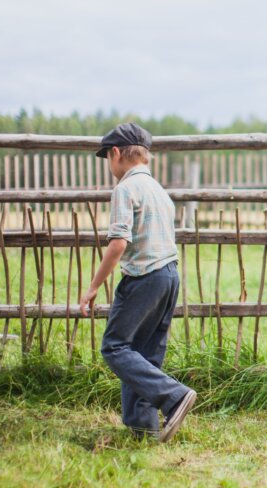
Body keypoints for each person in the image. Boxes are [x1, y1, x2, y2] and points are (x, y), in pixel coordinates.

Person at [79, 122, 197, 442]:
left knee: (115, 347)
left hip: (144, 277)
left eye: (107, 157)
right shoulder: (159, 190)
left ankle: (174, 396)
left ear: (116, 153)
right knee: (145, 356)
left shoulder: (125, 189)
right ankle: (144, 429)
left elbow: (118, 243)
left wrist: (93, 287)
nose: (108, 164)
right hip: (169, 275)